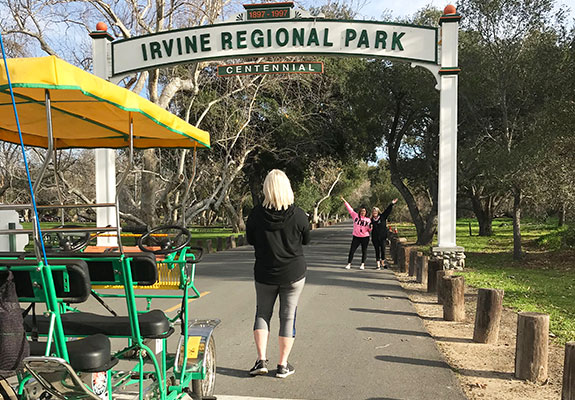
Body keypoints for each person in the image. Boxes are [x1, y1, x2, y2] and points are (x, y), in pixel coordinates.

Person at [246, 169, 310, 379]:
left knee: (262, 313)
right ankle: (282, 365)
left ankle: (261, 360)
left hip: (264, 273)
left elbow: (251, 240)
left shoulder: (255, 214)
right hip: (293, 273)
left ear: (266, 188)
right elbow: (306, 239)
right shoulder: (298, 214)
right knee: (288, 316)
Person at [341, 196, 371, 270]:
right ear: (360, 211)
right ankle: (349, 263)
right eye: (362, 211)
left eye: (364, 211)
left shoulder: (368, 220)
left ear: (366, 212)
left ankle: (362, 264)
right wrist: (345, 201)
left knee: (364, 251)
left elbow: (369, 229)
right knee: (352, 250)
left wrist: (370, 227)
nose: (363, 212)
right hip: (356, 237)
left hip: (365, 237)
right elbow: (350, 209)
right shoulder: (355, 216)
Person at [371, 198, 398, 269]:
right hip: (375, 237)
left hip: (383, 237)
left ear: (378, 212)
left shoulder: (382, 217)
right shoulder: (371, 220)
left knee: (383, 250)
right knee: (377, 250)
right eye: (373, 212)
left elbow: (388, 210)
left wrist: (392, 203)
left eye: (375, 212)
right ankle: (378, 265)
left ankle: (383, 263)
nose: (374, 213)